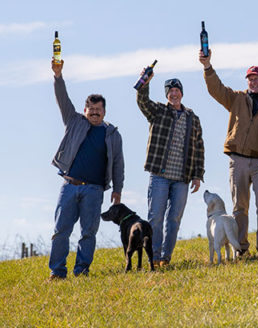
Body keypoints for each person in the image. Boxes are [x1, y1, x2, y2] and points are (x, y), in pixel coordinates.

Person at [49, 59, 124, 279]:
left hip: (94, 190)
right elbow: (62, 99)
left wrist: (117, 190)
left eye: (98, 110)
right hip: (69, 186)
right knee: (61, 231)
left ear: (104, 112)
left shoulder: (112, 134)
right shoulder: (74, 121)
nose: (94, 113)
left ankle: (82, 270)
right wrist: (58, 76)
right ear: (84, 110)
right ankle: (57, 271)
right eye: (90, 110)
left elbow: (118, 163)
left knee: (88, 233)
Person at [199, 49, 258, 256]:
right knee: (239, 207)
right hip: (238, 160)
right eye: (250, 79)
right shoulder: (237, 99)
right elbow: (216, 89)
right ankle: (240, 247)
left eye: (257, 78)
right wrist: (207, 67)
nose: (253, 82)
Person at [136, 72, 204, 267]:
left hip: (182, 177)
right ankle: (154, 257)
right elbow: (142, 101)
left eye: (177, 90)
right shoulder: (157, 111)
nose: (174, 94)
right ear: (166, 95)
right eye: (170, 91)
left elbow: (199, 148)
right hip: (159, 175)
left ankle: (166, 257)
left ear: (181, 93)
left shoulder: (193, 118)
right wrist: (144, 83)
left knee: (174, 218)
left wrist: (197, 175)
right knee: (155, 217)